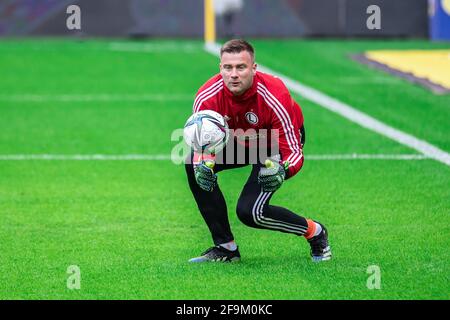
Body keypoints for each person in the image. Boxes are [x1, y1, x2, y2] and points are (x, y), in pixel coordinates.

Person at [185, 39, 331, 263]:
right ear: (220, 68)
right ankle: (226, 248)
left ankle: (315, 232)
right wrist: (202, 163)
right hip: (239, 141)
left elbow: (293, 151)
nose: (234, 74)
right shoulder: (207, 97)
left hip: (272, 144)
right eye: (228, 67)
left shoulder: (275, 95)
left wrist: (283, 170)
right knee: (194, 167)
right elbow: (201, 146)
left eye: (241, 67)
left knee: (251, 212)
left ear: (254, 68)